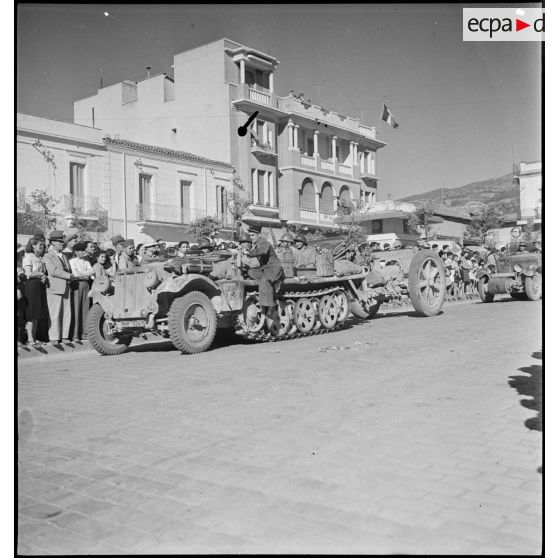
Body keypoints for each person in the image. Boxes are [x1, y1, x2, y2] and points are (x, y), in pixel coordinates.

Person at [240, 226, 284, 316]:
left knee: (265, 280)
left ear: (259, 235)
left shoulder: (264, 242)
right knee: (251, 271)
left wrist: (249, 253)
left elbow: (263, 251)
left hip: (273, 267)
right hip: (265, 268)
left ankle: (271, 305)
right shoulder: (255, 245)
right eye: (250, 235)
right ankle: (271, 285)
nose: (251, 237)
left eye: (253, 235)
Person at [43, 230, 75, 345]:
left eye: (62, 241)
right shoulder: (48, 256)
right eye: (59, 242)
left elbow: (67, 269)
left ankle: (65, 336)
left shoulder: (64, 256)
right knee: (54, 313)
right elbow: (53, 271)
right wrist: (69, 276)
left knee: (67, 313)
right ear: (53, 243)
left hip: (66, 287)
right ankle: (54, 337)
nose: (62, 243)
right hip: (54, 288)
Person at [22, 237, 49, 346]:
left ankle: (34, 337)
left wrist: (44, 277)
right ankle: (29, 339)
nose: (42, 247)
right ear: (33, 246)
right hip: (32, 287)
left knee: (38, 313)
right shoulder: (28, 257)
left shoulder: (39, 257)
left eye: (42, 245)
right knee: (32, 313)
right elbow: (29, 274)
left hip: (40, 287)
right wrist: (41, 274)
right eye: (40, 245)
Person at [69, 241, 95, 341]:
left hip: (86, 286)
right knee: (76, 309)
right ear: (76, 251)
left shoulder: (86, 261)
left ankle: (85, 333)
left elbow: (92, 271)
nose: (83, 252)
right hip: (77, 285)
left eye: (83, 250)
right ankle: (75, 334)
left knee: (86, 309)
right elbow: (75, 274)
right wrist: (85, 275)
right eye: (80, 250)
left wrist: (83, 274)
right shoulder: (72, 261)